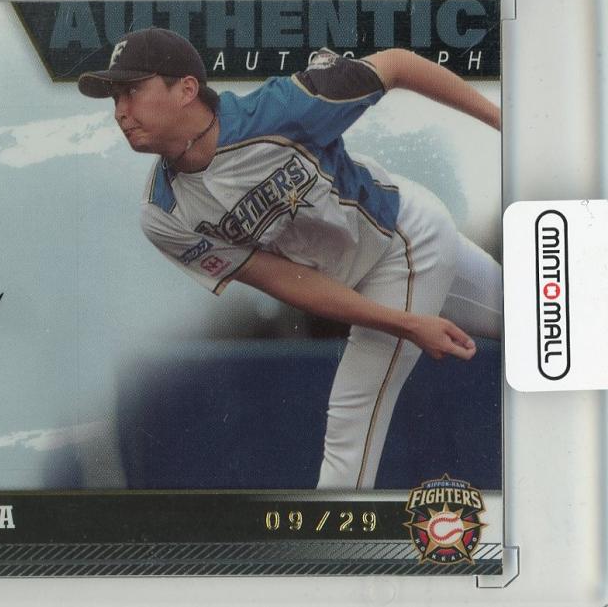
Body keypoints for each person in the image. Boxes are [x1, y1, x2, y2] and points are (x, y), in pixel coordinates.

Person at [77, 27, 502, 490]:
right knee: (536, 320)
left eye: (132, 91)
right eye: (114, 97)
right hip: (369, 272)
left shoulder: (281, 110)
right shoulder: (163, 213)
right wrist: (406, 323)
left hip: (403, 238)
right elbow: (287, 281)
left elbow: (397, 64)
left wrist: (504, 121)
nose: (119, 112)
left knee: (353, 418)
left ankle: (329, 539)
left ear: (186, 89)